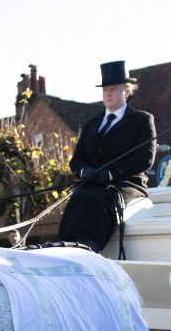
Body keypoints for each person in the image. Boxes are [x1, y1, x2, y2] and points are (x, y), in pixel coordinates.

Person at [57, 60, 157, 252]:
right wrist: (85, 171)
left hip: (127, 184)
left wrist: (110, 174)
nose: (108, 94)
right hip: (93, 184)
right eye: (105, 90)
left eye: (113, 89)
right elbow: (76, 160)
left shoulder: (142, 120)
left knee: (98, 198)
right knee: (78, 197)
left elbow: (145, 157)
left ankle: (88, 248)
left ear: (127, 92)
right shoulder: (91, 124)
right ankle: (64, 247)